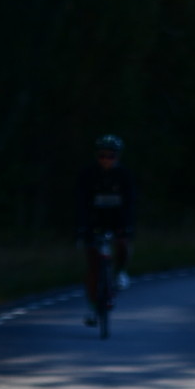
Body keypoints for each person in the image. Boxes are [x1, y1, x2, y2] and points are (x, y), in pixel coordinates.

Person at [76, 134, 135, 325]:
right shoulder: (88, 174)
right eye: (102, 155)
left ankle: (120, 272)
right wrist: (81, 227)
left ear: (118, 156)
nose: (106, 160)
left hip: (118, 219)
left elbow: (130, 203)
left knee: (123, 243)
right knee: (93, 264)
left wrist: (127, 227)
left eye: (111, 156)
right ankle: (94, 308)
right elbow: (81, 203)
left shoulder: (124, 175)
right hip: (94, 220)